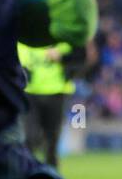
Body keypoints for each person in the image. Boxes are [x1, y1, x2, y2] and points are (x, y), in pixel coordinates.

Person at [17, 40, 83, 168]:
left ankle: (51, 175)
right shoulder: (24, 39)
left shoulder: (64, 40)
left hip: (57, 93)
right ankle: (29, 173)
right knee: (31, 137)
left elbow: (82, 57)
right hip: (30, 93)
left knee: (52, 140)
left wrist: (62, 57)